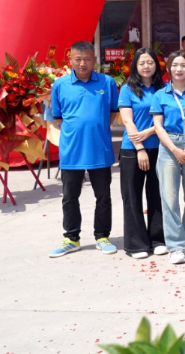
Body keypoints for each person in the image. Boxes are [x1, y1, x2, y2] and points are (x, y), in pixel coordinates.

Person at [48, 41, 121, 258]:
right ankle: (72, 238)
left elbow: (113, 112)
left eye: (87, 59)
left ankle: (102, 236)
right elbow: (58, 117)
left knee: (103, 196)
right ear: (70, 60)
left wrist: (97, 128)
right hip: (72, 151)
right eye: (78, 59)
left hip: (100, 149)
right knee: (70, 197)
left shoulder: (107, 82)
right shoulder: (60, 85)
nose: (82, 63)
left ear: (94, 60)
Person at [151, 51, 185, 265]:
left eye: (183, 65)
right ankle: (175, 246)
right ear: (168, 69)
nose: (179, 69)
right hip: (169, 146)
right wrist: (175, 150)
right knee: (170, 197)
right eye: (175, 65)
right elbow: (158, 126)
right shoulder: (160, 95)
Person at [118, 48, 167, 259]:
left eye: (150, 62)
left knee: (157, 195)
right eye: (142, 63)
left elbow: (167, 118)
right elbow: (127, 121)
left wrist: (151, 131)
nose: (146, 66)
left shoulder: (163, 88)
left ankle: (158, 240)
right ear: (135, 66)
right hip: (132, 150)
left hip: (159, 148)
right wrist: (140, 148)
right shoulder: (127, 89)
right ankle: (136, 244)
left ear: (157, 65)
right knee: (132, 197)